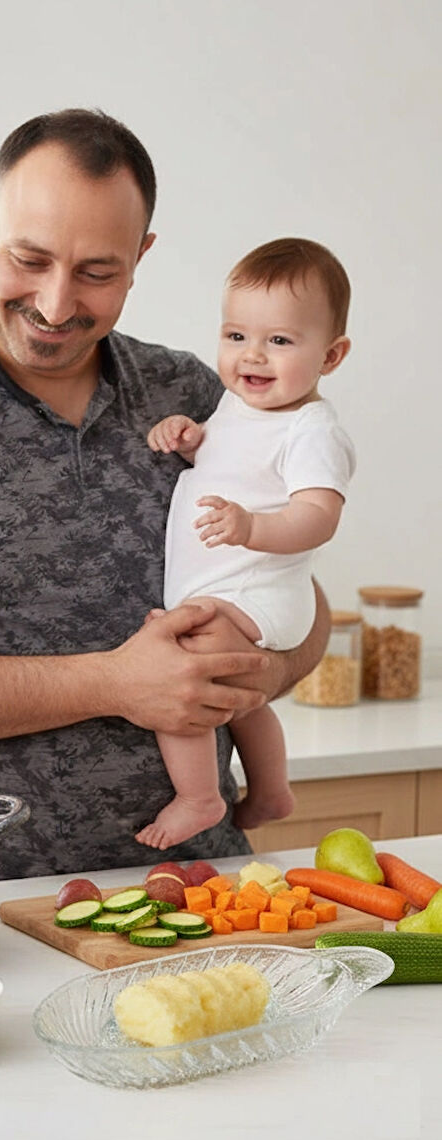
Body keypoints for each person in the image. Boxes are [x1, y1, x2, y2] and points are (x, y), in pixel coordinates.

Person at [0, 110, 329, 881]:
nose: (56, 305)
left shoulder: (194, 391)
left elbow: (299, 599)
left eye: (97, 272)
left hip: (205, 884)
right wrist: (116, 683)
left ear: (141, 257)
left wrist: (271, 670)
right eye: (29, 259)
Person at [136, 238, 355, 850]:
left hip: (260, 592)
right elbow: (226, 454)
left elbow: (319, 515)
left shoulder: (312, 429)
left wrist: (251, 527)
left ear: (331, 355)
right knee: (242, 700)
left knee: (182, 672)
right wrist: (187, 437)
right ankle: (271, 789)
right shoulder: (238, 405)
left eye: (280, 341)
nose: (252, 355)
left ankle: (201, 795)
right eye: (236, 336)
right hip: (227, 587)